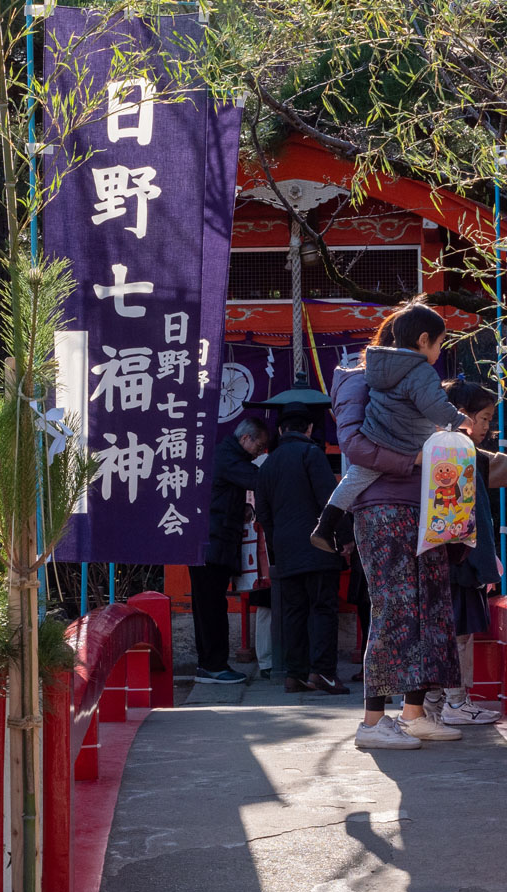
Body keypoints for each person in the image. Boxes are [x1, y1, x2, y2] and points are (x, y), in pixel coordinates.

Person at [330, 297, 464, 749]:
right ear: (422, 340)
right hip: (384, 503)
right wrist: (410, 463)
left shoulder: (409, 377)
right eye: (438, 344)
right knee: (395, 607)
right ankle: (371, 723)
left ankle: (413, 713)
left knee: (430, 607)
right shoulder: (357, 376)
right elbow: (353, 445)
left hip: (427, 505)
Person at [424, 378, 507, 726]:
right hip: (456, 556)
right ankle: (456, 702)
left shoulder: (432, 447)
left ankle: (432, 701)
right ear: (462, 415)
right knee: (458, 633)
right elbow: (504, 470)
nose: (489, 428)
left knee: (440, 630)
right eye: (485, 418)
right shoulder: (461, 452)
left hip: (431, 556)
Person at [311, 299, 466, 553]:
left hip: (383, 450)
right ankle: (457, 538)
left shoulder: (376, 373)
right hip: (393, 494)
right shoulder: (420, 372)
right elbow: (434, 409)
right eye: (440, 344)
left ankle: (325, 526)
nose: (440, 351)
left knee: (353, 478)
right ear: (422, 340)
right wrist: (457, 422)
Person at [255, 403, 350, 695]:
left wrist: (276, 545)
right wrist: (345, 536)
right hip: (319, 547)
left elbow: (264, 514)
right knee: (322, 609)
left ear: (282, 430)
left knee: (293, 612)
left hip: (286, 549)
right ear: (308, 429)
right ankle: (323, 672)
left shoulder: (267, 464)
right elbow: (330, 499)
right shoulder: (312, 454)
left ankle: (294, 674)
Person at [189, 416, 269, 684]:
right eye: (259, 446)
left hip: (208, 542)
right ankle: (214, 665)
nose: (260, 452)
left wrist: (242, 508)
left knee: (207, 604)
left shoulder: (225, 455)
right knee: (211, 605)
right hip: (212, 543)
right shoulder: (228, 458)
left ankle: (209, 664)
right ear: (246, 438)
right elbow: (259, 481)